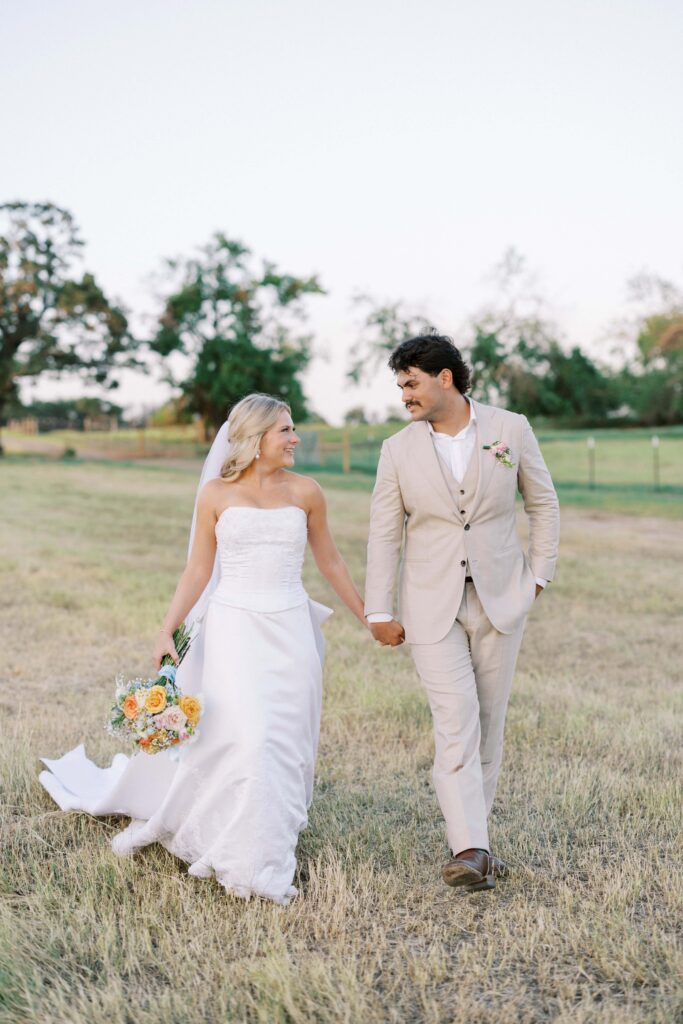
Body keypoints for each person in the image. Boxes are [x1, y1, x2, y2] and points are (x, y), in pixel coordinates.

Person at [40, 393, 368, 905]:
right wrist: (166, 628)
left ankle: (268, 842)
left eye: (292, 428)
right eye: (285, 429)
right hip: (234, 629)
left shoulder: (308, 492)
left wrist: (369, 616)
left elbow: (331, 563)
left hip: (290, 631)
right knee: (249, 736)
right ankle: (246, 859)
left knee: (285, 741)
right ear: (257, 438)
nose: (295, 438)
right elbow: (197, 569)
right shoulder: (215, 494)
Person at [365, 332, 560, 892]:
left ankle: (477, 841)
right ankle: (469, 849)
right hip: (431, 605)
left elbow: (542, 503)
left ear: (444, 377)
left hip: (502, 598)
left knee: (489, 725)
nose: (404, 395)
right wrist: (379, 609)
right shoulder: (396, 449)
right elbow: (384, 533)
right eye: (400, 386)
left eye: (411, 383)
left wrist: (538, 576)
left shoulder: (510, 429)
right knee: (457, 721)